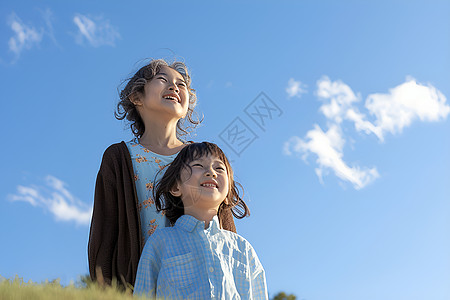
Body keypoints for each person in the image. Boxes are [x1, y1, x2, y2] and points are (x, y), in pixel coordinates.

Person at [88, 59, 237, 289]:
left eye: (181, 84)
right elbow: (105, 232)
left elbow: (224, 227)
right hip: (138, 284)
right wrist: (104, 288)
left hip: (198, 284)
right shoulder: (119, 157)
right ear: (137, 97)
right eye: (162, 80)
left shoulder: (205, 159)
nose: (175, 87)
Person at [133, 142, 268, 299]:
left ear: (228, 192)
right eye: (198, 165)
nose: (211, 172)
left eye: (219, 168)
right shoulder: (160, 242)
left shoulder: (243, 249)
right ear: (176, 187)